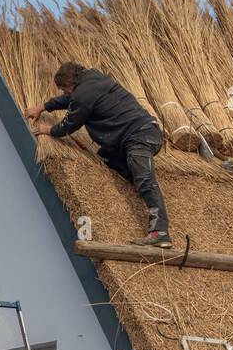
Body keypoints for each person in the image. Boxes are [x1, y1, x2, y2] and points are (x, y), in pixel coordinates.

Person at [25, 62, 172, 248]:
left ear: (72, 84)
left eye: (64, 89)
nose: (65, 93)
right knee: (104, 155)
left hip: (140, 135)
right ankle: (136, 181)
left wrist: (49, 130)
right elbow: (70, 100)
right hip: (130, 137)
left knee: (144, 179)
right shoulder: (92, 78)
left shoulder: (82, 94)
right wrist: (44, 106)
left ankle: (160, 232)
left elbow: (69, 124)